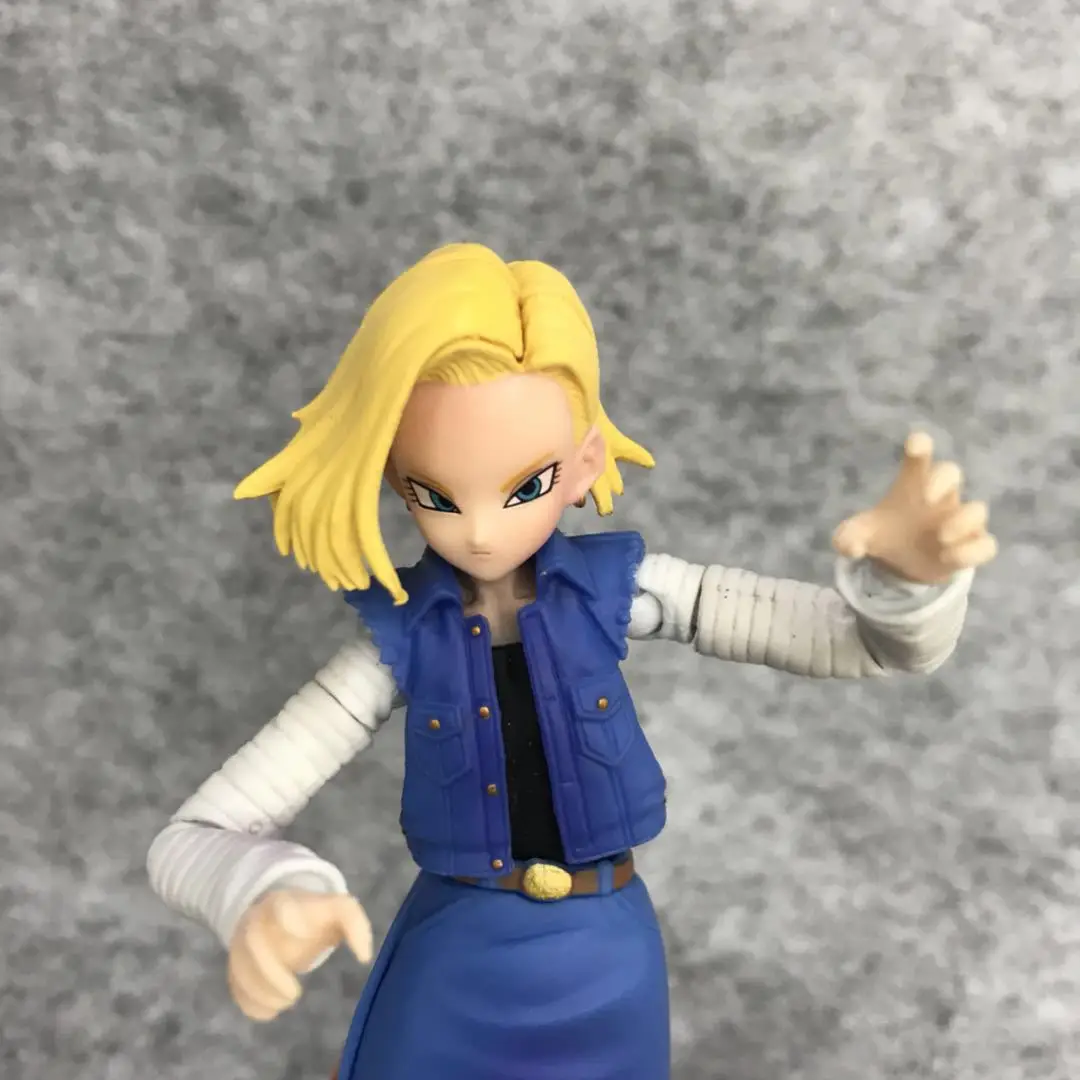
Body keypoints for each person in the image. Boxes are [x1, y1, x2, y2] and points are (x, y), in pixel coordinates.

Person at [147, 242, 997, 1080]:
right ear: (394, 477)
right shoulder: (394, 643)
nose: (481, 531)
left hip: (608, 968)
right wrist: (265, 891)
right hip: (454, 971)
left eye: (525, 486)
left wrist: (906, 585)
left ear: (584, 463)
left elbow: (865, 644)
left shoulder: (628, 591)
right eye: (437, 495)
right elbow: (196, 835)